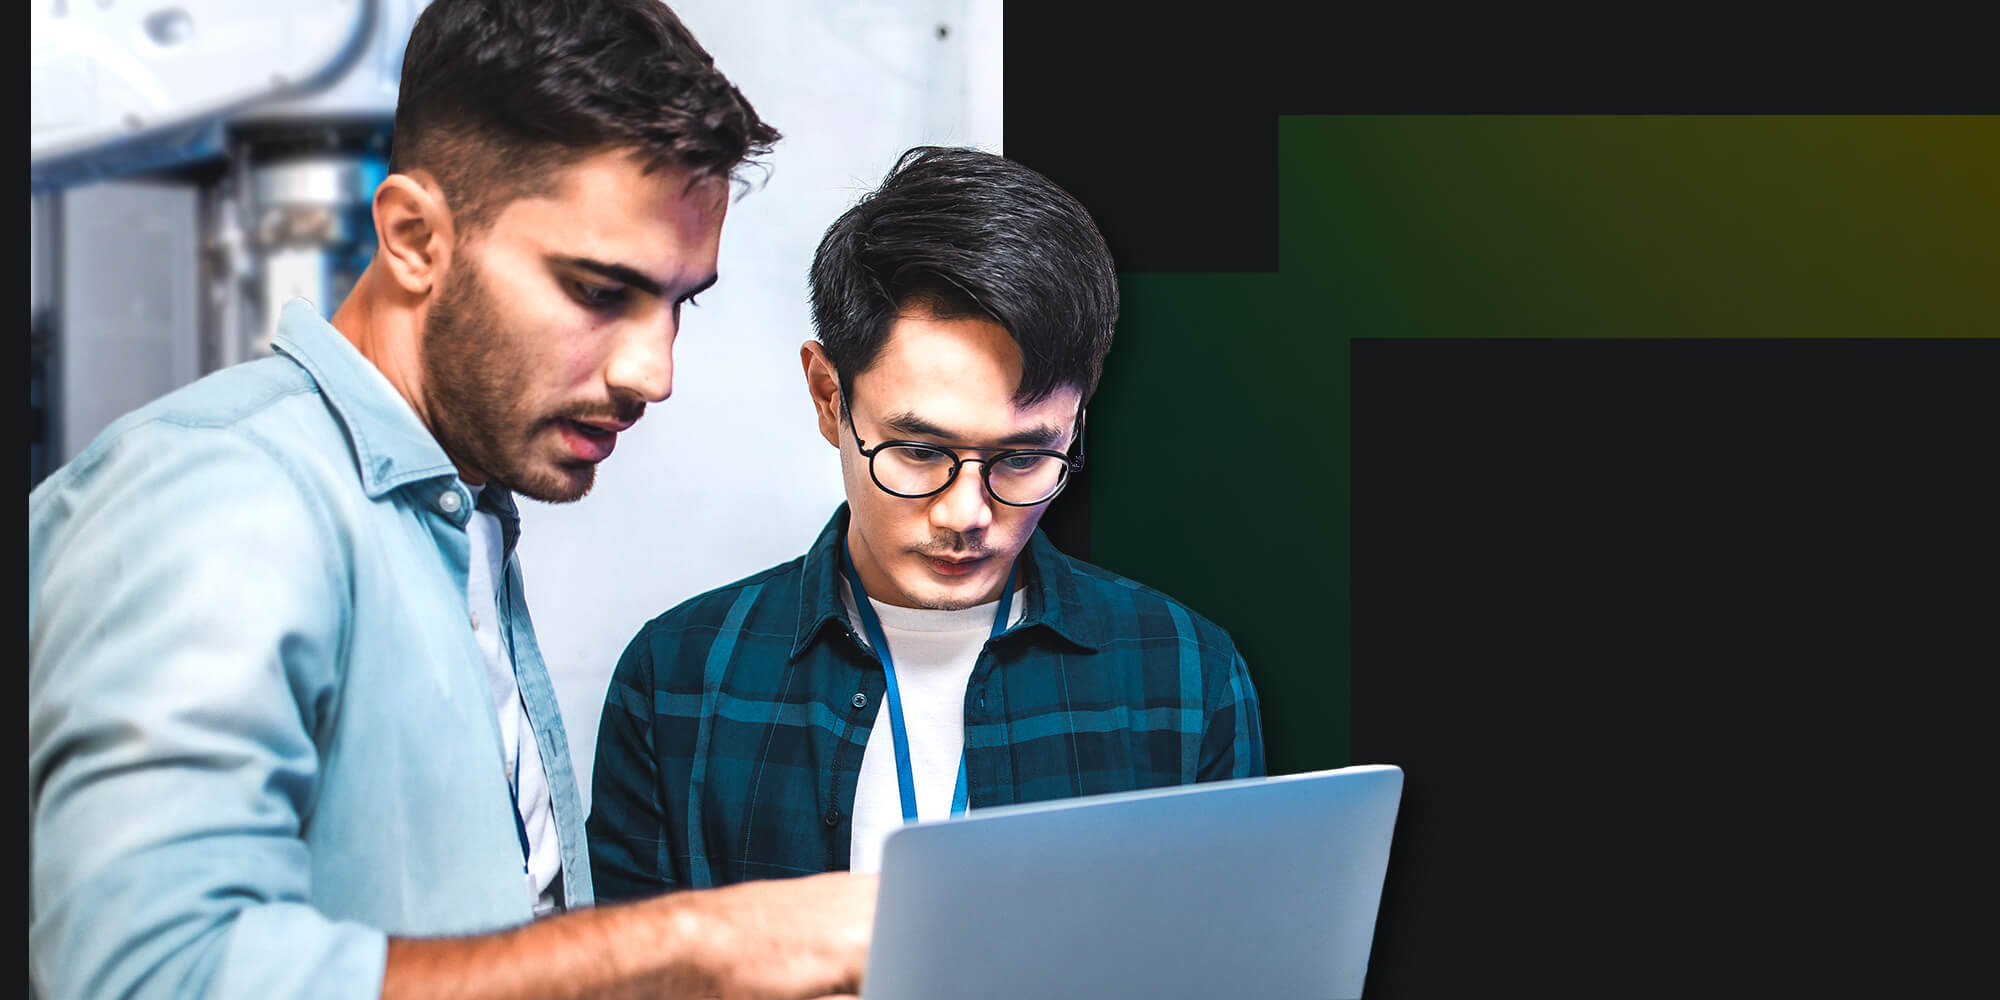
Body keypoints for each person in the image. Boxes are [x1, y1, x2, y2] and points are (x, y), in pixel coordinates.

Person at [27, 2, 874, 997]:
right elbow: (147, 974)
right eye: (599, 289)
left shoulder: (456, 507)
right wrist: (690, 942)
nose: (654, 371)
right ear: (415, 237)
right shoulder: (223, 496)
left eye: (677, 302)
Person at [587, 146, 1267, 896]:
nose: (968, 515)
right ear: (827, 397)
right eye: (918, 450)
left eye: (1022, 458)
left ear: (1075, 427)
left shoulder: (1185, 672)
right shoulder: (676, 678)